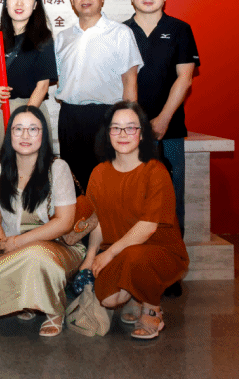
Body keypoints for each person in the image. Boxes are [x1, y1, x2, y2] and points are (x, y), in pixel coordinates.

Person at [83, 102, 189, 340]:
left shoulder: (155, 171)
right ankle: (135, 294)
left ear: (141, 134)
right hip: (121, 252)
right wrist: (90, 257)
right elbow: (97, 222)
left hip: (160, 252)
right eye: (116, 128)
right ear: (108, 133)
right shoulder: (99, 173)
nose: (123, 134)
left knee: (134, 257)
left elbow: (148, 226)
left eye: (130, 128)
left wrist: (109, 254)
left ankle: (152, 309)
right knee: (108, 299)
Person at [0, 105, 83, 337]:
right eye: (18, 129)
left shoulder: (57, 168)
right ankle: (28, 301)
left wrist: (18, 242)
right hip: (15, 246)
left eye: (33, 129)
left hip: (60, 247)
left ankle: (54, 311)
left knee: (37, 254)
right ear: (9, 135)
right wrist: (3, 243)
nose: (25, 135)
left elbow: (64, 222)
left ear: (43, 135)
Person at [123, 0, 199, 235]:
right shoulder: (120, 32)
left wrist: (163, 120)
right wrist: (131, 123)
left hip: (169, 130)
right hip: (127, 132)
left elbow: (185, 78)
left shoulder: (179, 30)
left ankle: (172, 255)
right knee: (130, 198)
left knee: (170, 197)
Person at [54, 0, 143, 189]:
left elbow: (130, 82)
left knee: (108, 184)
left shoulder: (121, 33)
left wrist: (129, 125)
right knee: (73, 184)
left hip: (107, 118)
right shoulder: (62, 38)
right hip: (70, 118)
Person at [0, 0, 58, 176]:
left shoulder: (43, 39)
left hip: (31, 110)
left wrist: (25, 120)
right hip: (0, 111)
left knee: (32, 171)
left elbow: (42, 86)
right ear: (6, 3)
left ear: (35, 4)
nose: (19, 3)